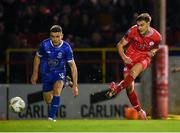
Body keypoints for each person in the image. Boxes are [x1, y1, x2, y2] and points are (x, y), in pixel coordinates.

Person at [106, 13, 162, 119]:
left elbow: (156, 47)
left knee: (133, 73)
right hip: (130, 57)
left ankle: (116, 89)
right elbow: (120, 45)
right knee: (129, 88)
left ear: (148, 24)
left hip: (144, 58)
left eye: (142, 25)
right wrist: (124, 57)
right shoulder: (133, 30)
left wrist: (153, 51)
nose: (139, 27)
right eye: (138, 25)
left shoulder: (157, 37)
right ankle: (140, 111)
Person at [31, 25, 78, 121]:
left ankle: (51, 118)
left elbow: (73, 67)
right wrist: (35, 73)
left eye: (57, 36)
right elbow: (37, 57)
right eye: (53, 36)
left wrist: (75, 86)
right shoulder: (44, 44)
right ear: (50, 36)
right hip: (46, 74)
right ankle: (66, 82)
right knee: (48, 100)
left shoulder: (66, 48)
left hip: (59, 72)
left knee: (57, 89)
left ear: (62, 36)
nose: (55, 39)